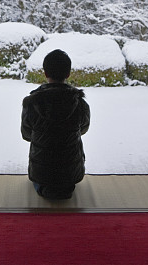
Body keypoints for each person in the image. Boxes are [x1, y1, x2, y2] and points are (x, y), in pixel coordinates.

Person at [21, 49, 90, 200]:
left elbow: (27, 134)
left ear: (45, 73)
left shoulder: (32, 103)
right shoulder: (79, 103)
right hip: (71, 174)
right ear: (68, 74)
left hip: (40, 174)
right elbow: (83, 128)